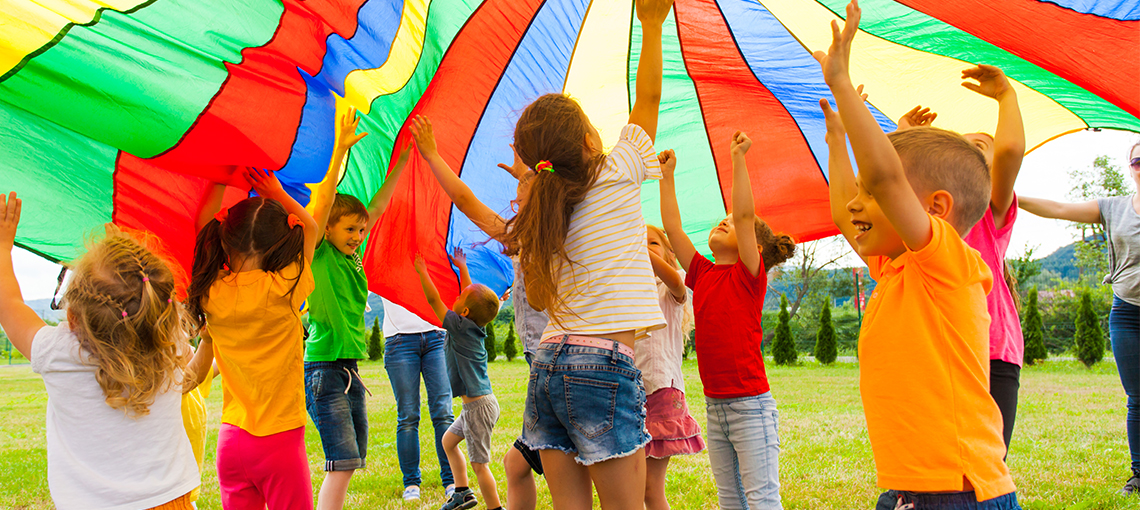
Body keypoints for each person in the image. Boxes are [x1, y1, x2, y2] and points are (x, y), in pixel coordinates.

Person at [817, 2, 1018, 508]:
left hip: (958, 491)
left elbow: (886, 177)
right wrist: (836, 139)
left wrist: (842, 84)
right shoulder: (895, 268)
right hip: (910, 488)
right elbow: (845, 211)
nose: (860, 202)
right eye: (862, 192)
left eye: (873, 194)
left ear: (935, 209)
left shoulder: (947, 263)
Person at [502, 2, 674, 508]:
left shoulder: (543, 210)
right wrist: (651, 25)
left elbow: (538, 297)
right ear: (590, 138)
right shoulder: (618, 172)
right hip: (602, 365)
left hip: (548, 364)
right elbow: (649, 97)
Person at [0, 193, 199, 509]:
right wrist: (125, 256)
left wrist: (2, 248)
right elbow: (148, 303)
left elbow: (9, 305)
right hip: (170, 501)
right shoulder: (166, 340)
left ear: (72, 318)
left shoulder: (59, 352)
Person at [408, 114, 551, 510]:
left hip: (541, 361)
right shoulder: (550, 233)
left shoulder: (530, 236)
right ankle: (464, 491)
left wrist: (432, 155)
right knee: (514, 461)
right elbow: (469, 293)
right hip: (540, 360)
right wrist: (525, 176)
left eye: (521, 192)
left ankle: (492, 504)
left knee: (516, 461)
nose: (514, 200)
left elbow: (466, 201)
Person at [896, 63, 1028, 452]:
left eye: (980, 146)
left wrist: (1005, 95)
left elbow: (1010, 150)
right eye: (960, 145)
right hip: (934, 349)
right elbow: (892, 183)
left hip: (990, 352)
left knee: (986, 459)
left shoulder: (989, 210)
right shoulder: (926, 216)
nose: (968, 148)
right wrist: (907, 139)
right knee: (936, 457)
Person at [659, 137, 796, 509]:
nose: (725, 220)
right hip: (715, 406)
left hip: (751, 406)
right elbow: (673, 229)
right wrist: (667, 178)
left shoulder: (748, 275)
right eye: (724, 219)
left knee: (762, 499)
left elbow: (746, 216)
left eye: (732, 223)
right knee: (729, 499)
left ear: (755, 248)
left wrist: (738, 159)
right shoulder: (702, 272)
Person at [187, 168, 319, 509]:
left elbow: (202, 225)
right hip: (280, 441)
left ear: (223, 241)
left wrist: (219, 176)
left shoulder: (211, 291)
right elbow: (312, 228)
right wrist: (276, 191)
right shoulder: (286, 287)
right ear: (279, 244)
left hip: (232, 440)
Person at [1019, 142, 1140, 495]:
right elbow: (1059, 208)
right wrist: (1012, 198)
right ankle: (1139, 474)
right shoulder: (1113, 208)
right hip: (1127, 313)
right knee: (1137, 398)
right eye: (1138, 160)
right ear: (1130, 167)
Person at [305, 107, 410, 510]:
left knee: (352, 460)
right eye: (350, 229)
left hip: (347, 368)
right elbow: (323, 201)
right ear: (328, 228)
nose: (357, 236)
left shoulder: (353, 258)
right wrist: (339, 151)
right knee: (342, 462)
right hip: (324, 367)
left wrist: (402, 159)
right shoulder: (319, 252)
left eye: (361, 230)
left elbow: (377, 206)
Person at [413, 249, 503, 510]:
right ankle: (462, 493)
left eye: (459, 297)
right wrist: (462, 267)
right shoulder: (474, 324)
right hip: (478, 405)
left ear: (463, 311)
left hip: (477, 408)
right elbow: (469, 294)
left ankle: (496, 508)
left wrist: (422, 271)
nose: (456, 295)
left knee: (480, 465)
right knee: (448, 442)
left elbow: (433, 300)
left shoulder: (459, 325)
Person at [638, 224, 704, 510]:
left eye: (652, 243)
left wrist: (640, 251)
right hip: (627, 392)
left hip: (661, 391)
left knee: (650, 488)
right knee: (631, 485)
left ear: (669, 254)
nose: (644, 247)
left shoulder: (669, 286)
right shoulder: (624, 292)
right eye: (639, 242)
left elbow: (677, 282)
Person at [382, 296, 455, 501]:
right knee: (408, 415)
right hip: (399, 340)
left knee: (444, 413)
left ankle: (451, 481)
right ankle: (411, 483)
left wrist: (495, 294)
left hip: (437, 335)